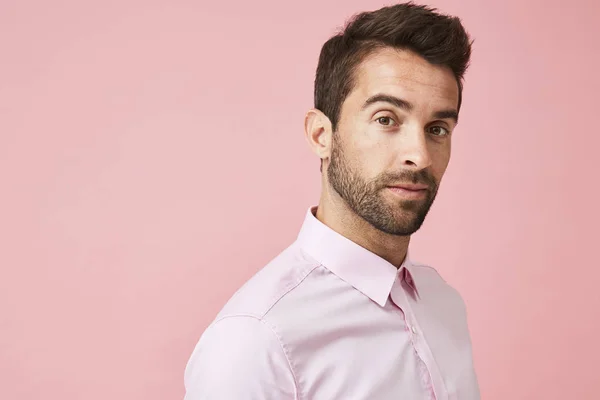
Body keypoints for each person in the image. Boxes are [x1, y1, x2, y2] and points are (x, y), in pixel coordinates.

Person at [184, 2, 479, 399]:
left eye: (438, 128)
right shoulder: (257, 339)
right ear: (322, 135)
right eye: (386, 119)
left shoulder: (443, 303)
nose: (420, 155)